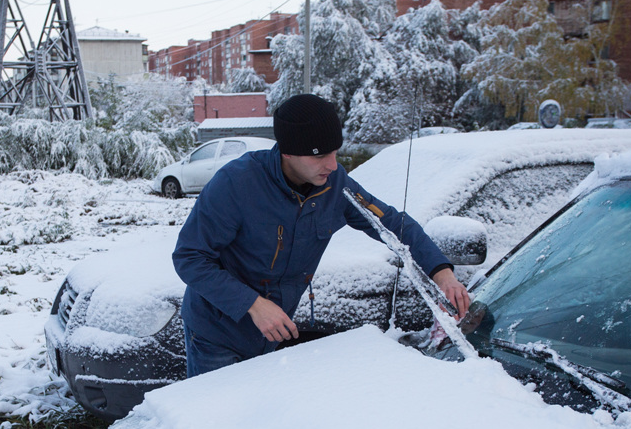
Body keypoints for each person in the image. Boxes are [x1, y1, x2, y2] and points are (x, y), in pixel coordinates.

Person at [172, 93, 470, 377]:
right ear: (288, 152)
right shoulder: (237, 183)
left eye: (335, 151)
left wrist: (441, 273)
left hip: (270, 334)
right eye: (319, 155)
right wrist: (253, 304)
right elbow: (190, 257)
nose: (332, 164)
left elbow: (392, 224)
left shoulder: (335, 185)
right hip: (216, 334)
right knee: (218, 411)